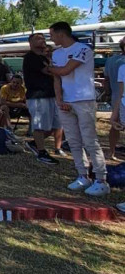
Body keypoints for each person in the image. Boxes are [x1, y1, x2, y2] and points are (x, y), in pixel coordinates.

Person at [47, 22, 109, 196]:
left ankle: (101, 179)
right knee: (73, 140)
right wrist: (59, 99)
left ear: (61, 34)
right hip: (66, 101)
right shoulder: (56, 53)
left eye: (52, 35)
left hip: (83, 99)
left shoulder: (83, 49)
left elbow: (65, 70)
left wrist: (49, 68)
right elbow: (56, 78)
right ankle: (82, 175)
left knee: (90, 140)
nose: (51, 38)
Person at [22, 32, 64, 163]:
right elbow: (49, 71)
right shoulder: (31, 57)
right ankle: (41, 152)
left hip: (51, 94)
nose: (42, 40)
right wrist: (65, 71)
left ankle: (34, 143)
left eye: (43, 38)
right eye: (38, 38)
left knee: (54, 125)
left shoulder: (44, 58)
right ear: (31, 42)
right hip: (38, 95)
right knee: (40, 125)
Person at [104, 37, 125, 161]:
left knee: (115, 126)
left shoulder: (111, 60)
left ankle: (111, 151)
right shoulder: (121, 64)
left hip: (116, 96)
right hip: (120, 97)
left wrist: (107, 93)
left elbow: (106, 79)